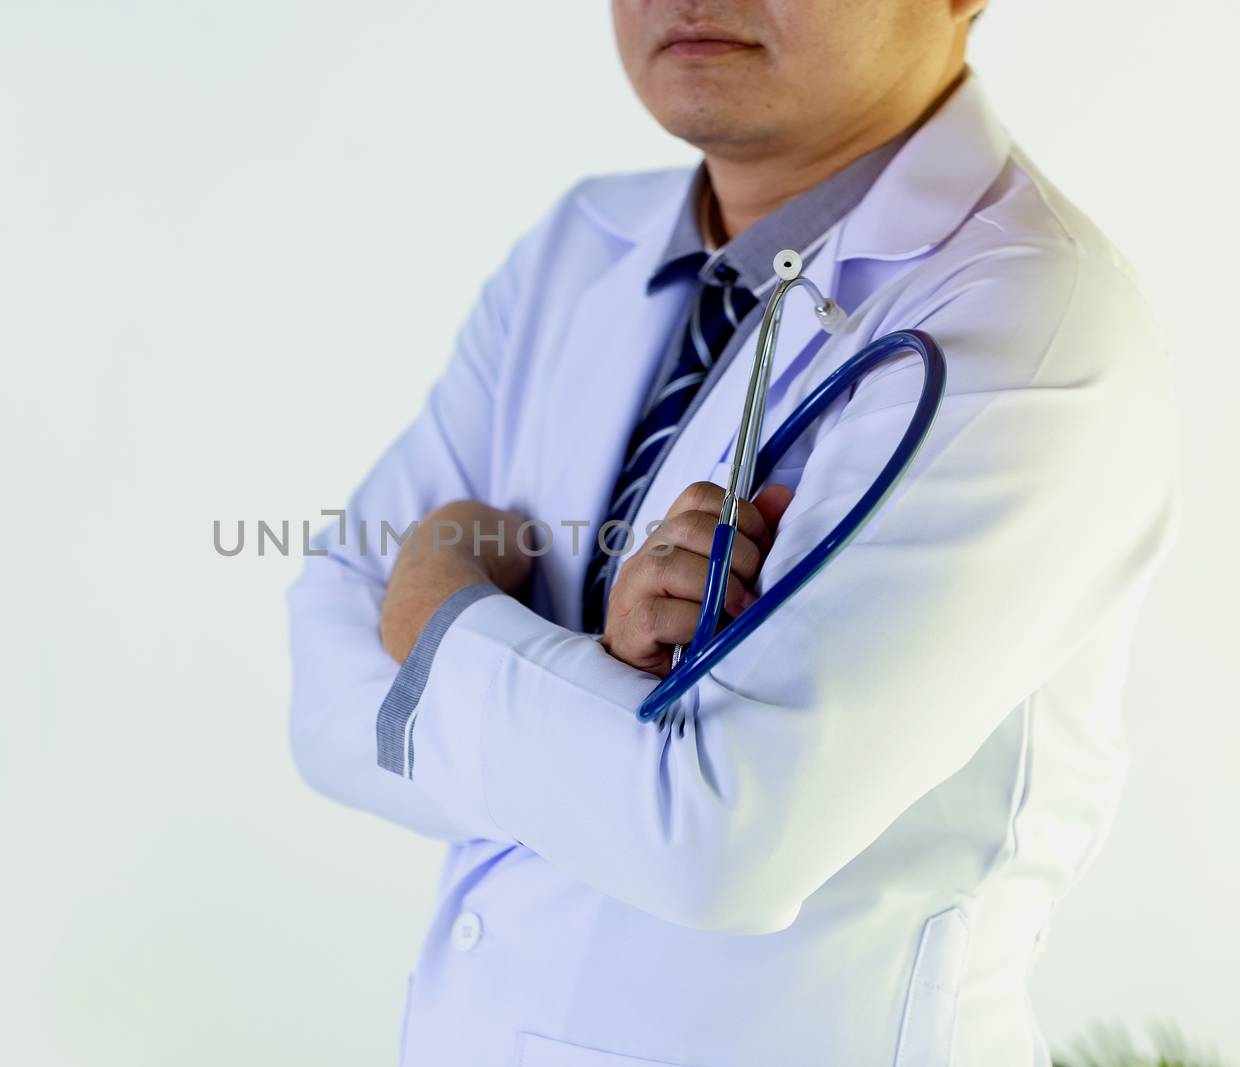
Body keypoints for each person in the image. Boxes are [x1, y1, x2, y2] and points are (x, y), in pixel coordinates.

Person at [286, 1, 1179, 1064]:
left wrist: (432, 607)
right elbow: (326, 700)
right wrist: (601, 693)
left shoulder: (1029, 321)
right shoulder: (577, 250)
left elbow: (719, 838)